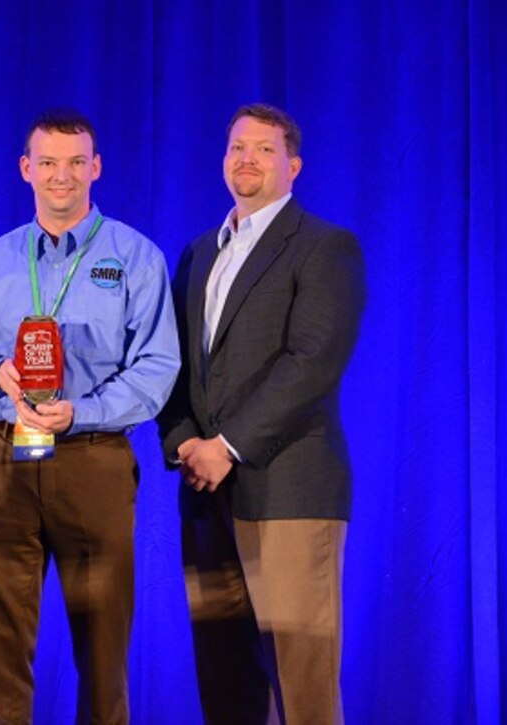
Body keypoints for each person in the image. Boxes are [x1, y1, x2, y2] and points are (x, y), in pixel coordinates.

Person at [0, 109, 181, 724]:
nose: (63, 175)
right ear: (26, 169)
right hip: (4, 456)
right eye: (49, 162)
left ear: (96, 168)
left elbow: (157, 366)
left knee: (104, 644)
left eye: (77, 162)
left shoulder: (135, 257)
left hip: (93, 459)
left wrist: (82, 411)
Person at [158, 103, 366, 724]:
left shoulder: (324, 246)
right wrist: (185, 442)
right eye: (237, 147)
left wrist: (226, 446)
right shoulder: (199, 252)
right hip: (205, 496)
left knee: (302, 686)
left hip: (289, 491)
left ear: (293, 166)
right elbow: (173, 363)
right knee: (226, 682)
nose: (246, 159)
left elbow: (313, 362)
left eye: (264, 149)